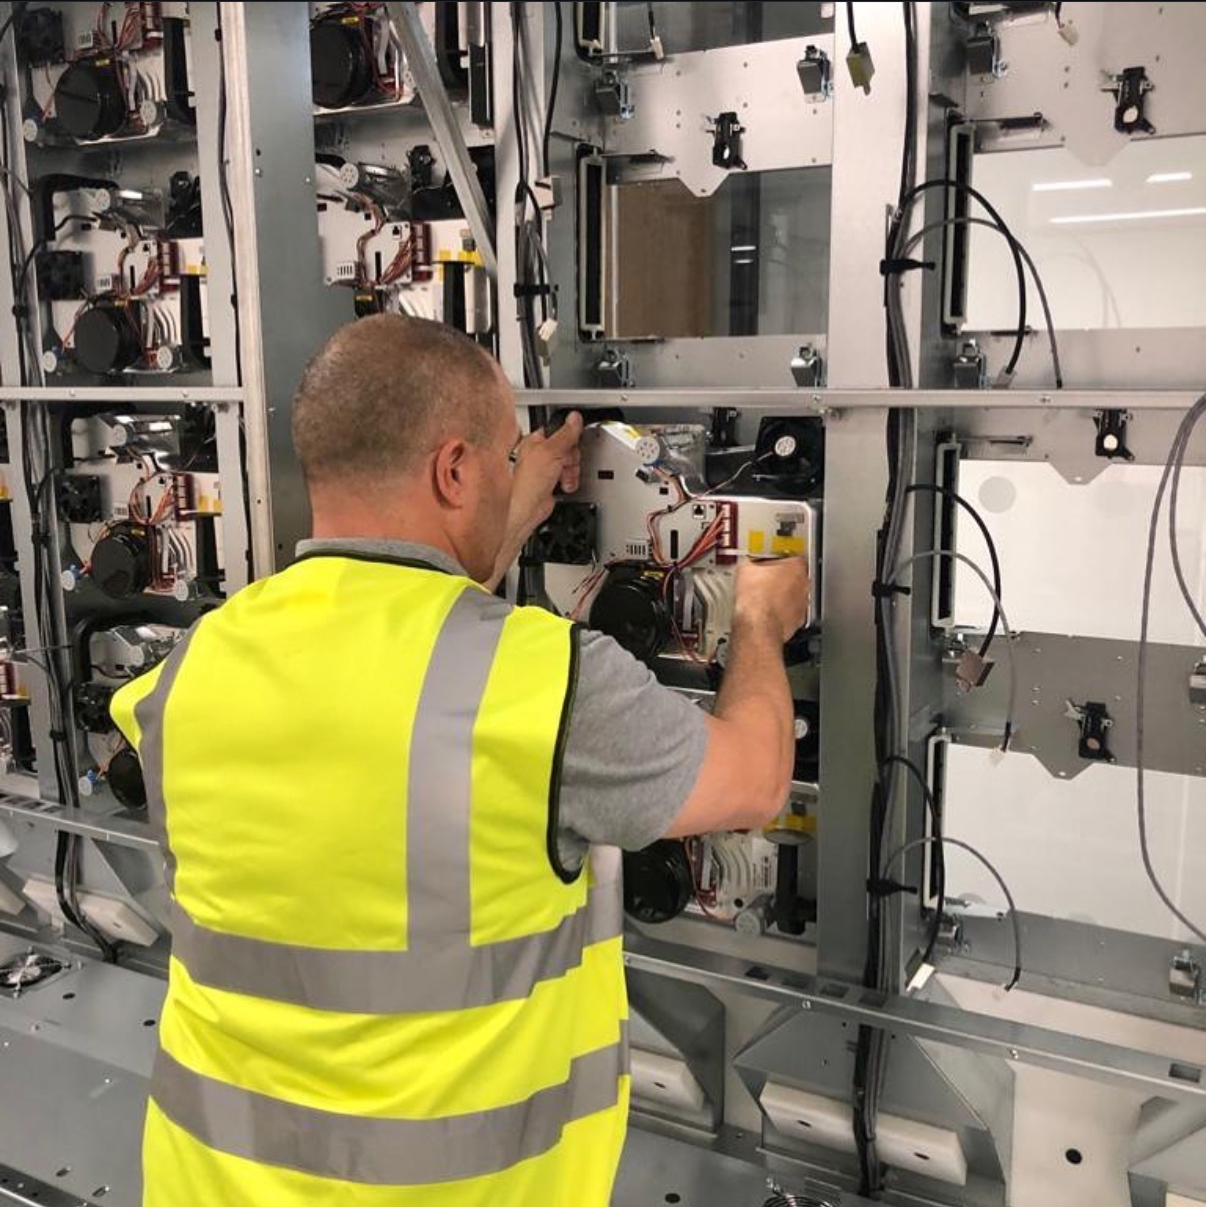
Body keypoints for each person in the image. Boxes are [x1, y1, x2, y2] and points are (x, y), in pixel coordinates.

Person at [112, 315, 810, 1207]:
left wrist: (501, 520)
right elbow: (753, 779)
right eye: (505, 459)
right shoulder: (545, 681)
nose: (516, 474)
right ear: (452, 470)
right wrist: (758, 618)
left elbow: (387, 659)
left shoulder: (191, 670)